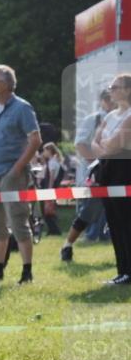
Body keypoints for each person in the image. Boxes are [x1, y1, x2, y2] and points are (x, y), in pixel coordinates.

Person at [0, 64, 42, 284]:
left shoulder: (22, 108)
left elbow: (35, 140)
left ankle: (27, 271)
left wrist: (17, 168)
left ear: (6, 84)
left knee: (18, 220)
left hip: (13, 172)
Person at [61, 88, 115, 262]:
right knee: (88, 213)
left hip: (119, 175)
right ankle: (67, 245)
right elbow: (81, 145)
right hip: (96, 175)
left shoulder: (122, 118)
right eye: (109, 99)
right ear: (104, 101)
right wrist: (98, 164)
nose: (112, 102)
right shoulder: (93, 119)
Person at [89, 73, 131, 285]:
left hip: (125, 170)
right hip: (108, 170)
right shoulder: (109, 116)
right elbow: (95, 144)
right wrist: (104, 146)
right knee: (114, 222)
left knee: (126, 222)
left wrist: (104, 146)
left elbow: (113, 145)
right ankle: (122, 270)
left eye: (115, 87)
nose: (111, 90)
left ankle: (129, 271)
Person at [38, 142, 65, 236]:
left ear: (49, 151)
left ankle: (54, 230)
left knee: (47, 210)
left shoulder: (52, 162)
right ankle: (52, 229)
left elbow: (51, 177)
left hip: (49, 188)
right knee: (49, 210)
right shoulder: (54, 161)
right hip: (52, 188)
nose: (43, 152)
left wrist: (49, 189)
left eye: (45, 150)